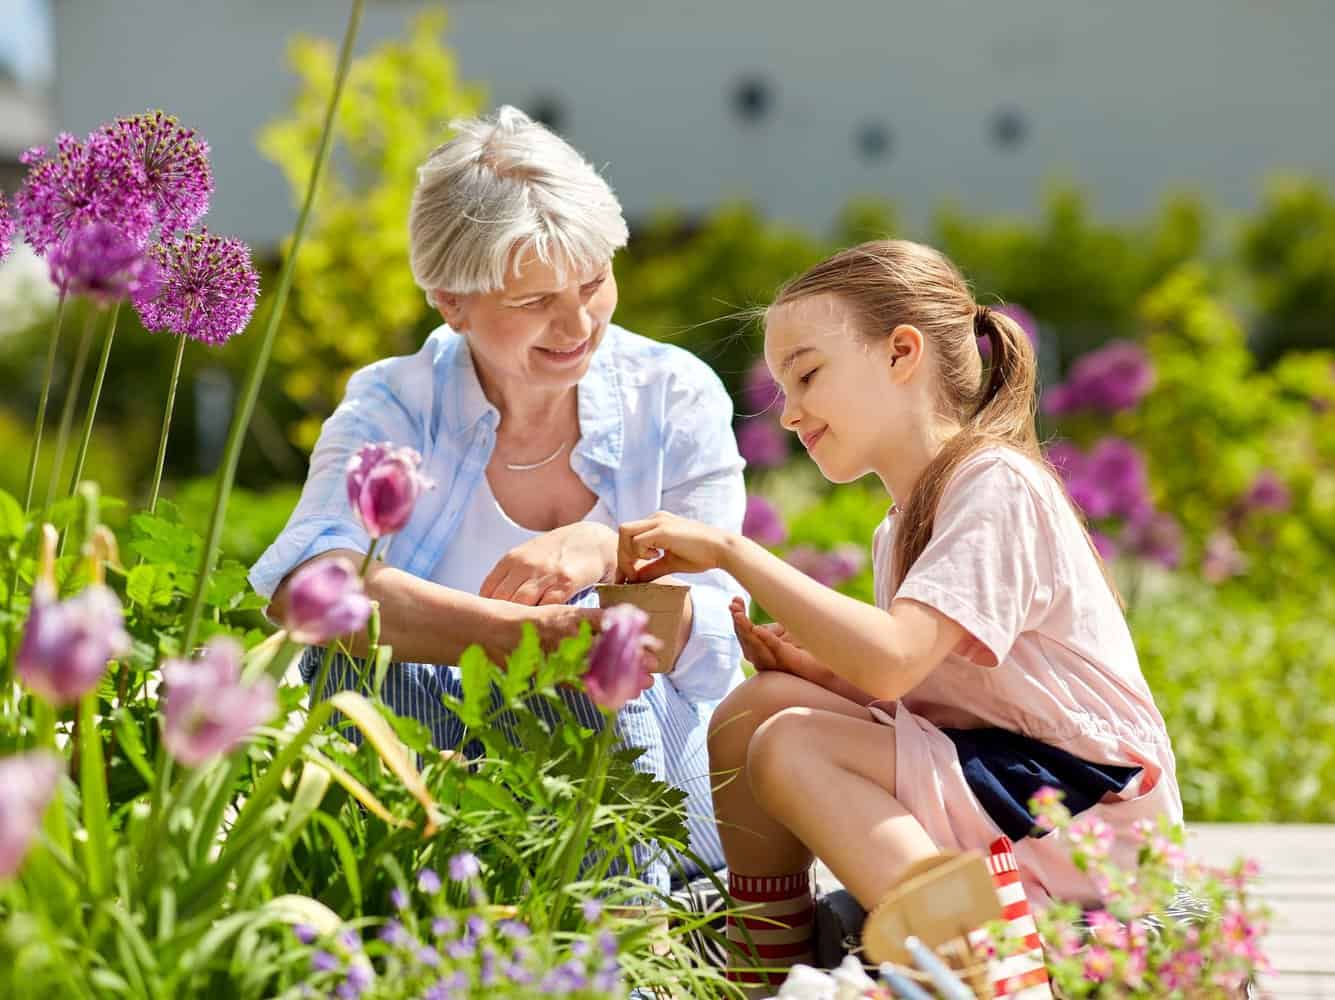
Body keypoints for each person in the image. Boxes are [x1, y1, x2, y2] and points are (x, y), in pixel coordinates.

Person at [616, 240, 1183, 989]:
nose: (789, 414)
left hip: (1084, 808)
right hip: (1010, 780)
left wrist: (733, 551)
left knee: (792, 745)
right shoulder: (904, 522)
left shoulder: (996, 483)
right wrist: (820, 670)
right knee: (756, 709)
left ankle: (991, 968)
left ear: (901, 353)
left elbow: (895, 657)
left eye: (808, 375)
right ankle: (765, 967)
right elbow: (934, 690)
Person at [248, 107, 747, 889]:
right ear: (451, 302)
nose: (578, 323)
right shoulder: (394, 402)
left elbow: (714, 635)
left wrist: (610, 551)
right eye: (534, 301)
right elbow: (310, 590)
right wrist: (531, 639)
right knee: (340, 677)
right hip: (438, 759)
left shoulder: (674, 395)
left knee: (587, 698)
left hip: (639, 756)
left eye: (593, 282)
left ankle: (614, 937)